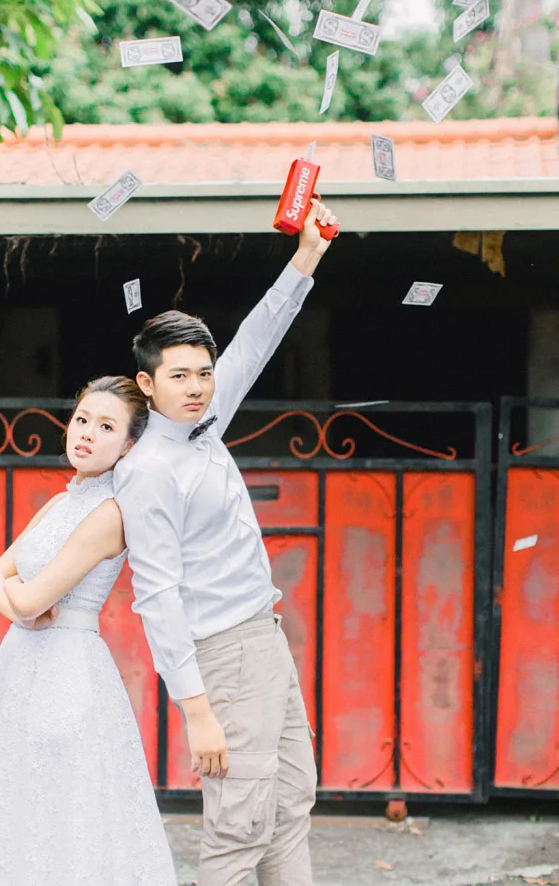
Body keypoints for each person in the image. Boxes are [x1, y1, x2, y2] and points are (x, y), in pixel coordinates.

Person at [114, 199, 337, 886]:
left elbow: (258, 338)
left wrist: (307, 256)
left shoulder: (207, 419)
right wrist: (197, 712)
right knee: (240, 827)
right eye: (178, 376)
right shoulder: (148, 470)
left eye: (203, 373)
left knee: (291, 802)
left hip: (264, 637)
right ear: (148, 383)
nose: (196, 387)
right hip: (222, 654)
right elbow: (156, 596)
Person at [0, 376, 177, 886]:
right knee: (10, 795)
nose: (87, 433)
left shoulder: (110, 514)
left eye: (106, 427)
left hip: (68, 669)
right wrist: (24, 610)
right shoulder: (58, 504)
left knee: (59, 801)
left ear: (129, 445)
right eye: (82, 420)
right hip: (19, 661)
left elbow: (29, 595)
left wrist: (22, 602)